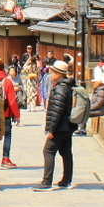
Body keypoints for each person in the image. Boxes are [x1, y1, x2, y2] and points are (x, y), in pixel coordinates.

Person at [33, 61, 76, 191]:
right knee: (66, 152)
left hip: (60, 127)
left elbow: (56, 111)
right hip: (67, 126)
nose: (50, 74)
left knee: (48, 151)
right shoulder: (66, 86)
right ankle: (66, 179)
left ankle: (47, 182)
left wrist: (51, 129)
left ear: (58, 74)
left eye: (52, 72)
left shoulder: (60, 89)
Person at [0, 57, 20, 167]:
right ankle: (5, 158)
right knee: (7, 134)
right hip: (5, 112)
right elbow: (11, 100)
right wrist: (16, 115)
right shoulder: (6, 81)